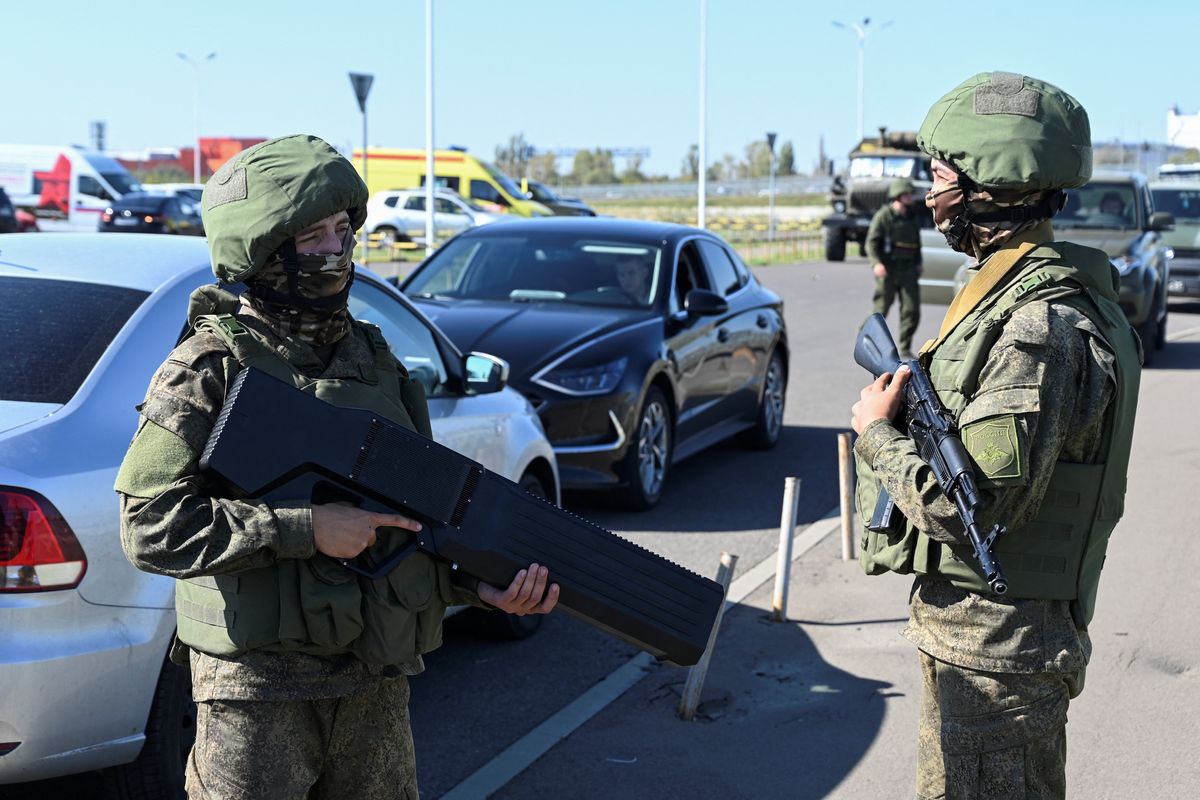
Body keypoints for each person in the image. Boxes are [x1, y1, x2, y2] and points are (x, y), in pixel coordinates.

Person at [115, 134, 559, 799]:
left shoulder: (376, 362)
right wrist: (304, 527)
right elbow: (149, 527)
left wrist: (479, 588)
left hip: (373, 684)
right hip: (256, 697)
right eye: (312, 236)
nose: (336, 250)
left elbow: (415, 523)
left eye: (343, 231)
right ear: (262, 252)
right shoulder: (209, 370)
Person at [849, 72, 1141, 799]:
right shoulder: (1006, 292)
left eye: (944, 176)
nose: (933, 193)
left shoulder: (1036, 326)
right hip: (975, 642)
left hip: (999, 656)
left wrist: (874, 436)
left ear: (990, 190)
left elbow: (969, 507)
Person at [866, 177, 923, 357]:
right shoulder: (884, 216)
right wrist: (876, 263)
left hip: (907, 269)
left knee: (912, 310)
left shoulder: (912, 218)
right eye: (907, 194)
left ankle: (904, 348)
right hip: (888, 268)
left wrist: (918, 262)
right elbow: (871, 243)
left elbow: (917, 244)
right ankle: (866, 340)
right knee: (881, 309)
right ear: (897, 196)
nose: (911, 198)